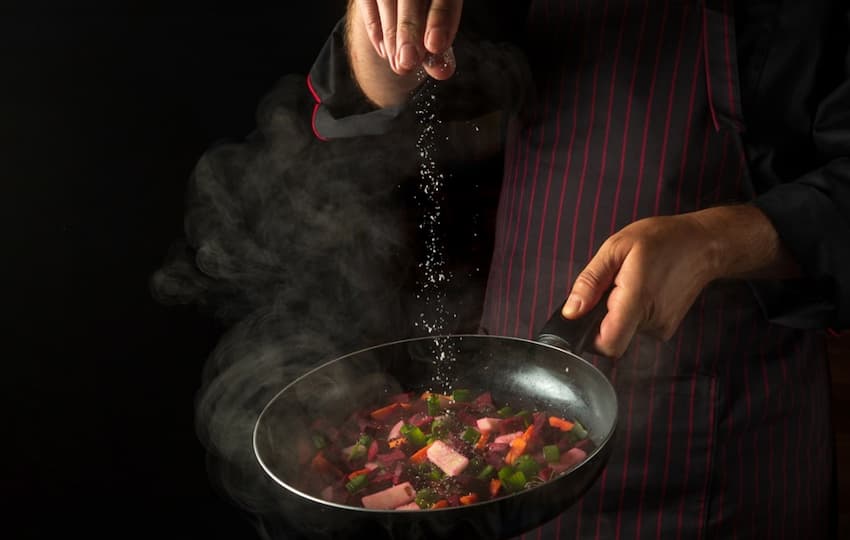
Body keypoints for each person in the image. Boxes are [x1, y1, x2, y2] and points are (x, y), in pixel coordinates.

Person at [302, 0, 850, 538]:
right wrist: (385, 23)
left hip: (734, 429)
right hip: (515, 374)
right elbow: (394, 83)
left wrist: (716, 241)